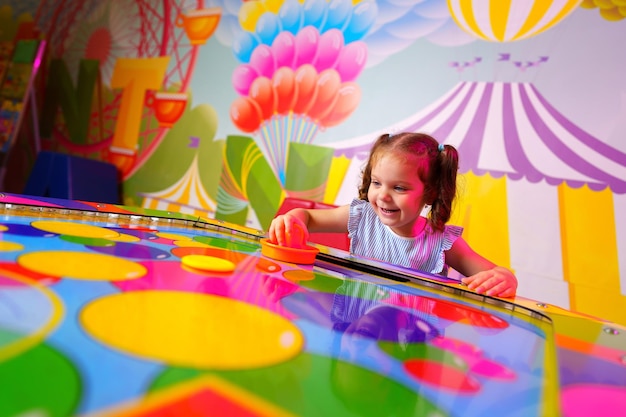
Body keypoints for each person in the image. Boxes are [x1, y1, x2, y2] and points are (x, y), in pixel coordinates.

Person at [268, 132, 518, 297]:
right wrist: (292, 220)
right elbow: (308, 218)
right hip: (355, 329)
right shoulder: (362, 216)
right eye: (377, 183)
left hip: (411, 344)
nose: (383, 196)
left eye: (399, 188)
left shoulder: (442, 242)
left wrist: (505, 278)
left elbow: (494, 272)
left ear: (430, 193)